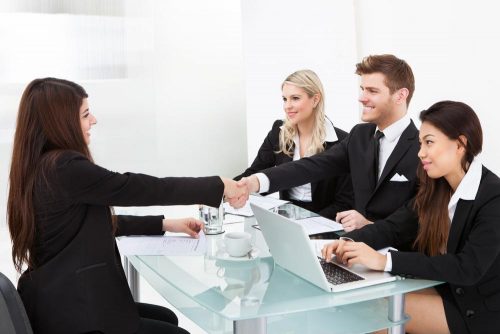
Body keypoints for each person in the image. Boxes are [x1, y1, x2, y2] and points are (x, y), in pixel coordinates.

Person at [7, 78, 245, 334]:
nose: (94, 120)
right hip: (74, 311)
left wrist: (165, 224)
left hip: (55, 300)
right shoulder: (65, 167)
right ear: (61, 122)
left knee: (166, 317)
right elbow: (137, 188)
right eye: (86, 114)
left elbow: (85, 225)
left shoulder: (40, 166)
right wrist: (218, 185)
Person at [322, 101, 500, 334]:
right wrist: (348, 241)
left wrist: (383, 261)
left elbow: (467, 267)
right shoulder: (437, 187)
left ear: (460, 144)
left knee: (374, 314)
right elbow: (393, 227)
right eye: (420, 144)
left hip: (478, 311)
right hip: (444, 289)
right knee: (360, 299)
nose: (420, 153)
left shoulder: (493, 196)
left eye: (429, 142)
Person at [237, 54, 419, 234]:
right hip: (353, 245)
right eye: (362, 89)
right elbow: (311, 166)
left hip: (393, 255)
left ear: (400, 96)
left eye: (372, 91)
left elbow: (419, 216)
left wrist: (371, 226)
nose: (361, 98)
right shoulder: (360, 135)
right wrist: (255, 181)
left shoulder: (422, 147)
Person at [234, 69, 353, 218]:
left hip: (326, 223)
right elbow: (254, 173)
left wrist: (309, 224)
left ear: (315, 99)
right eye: (285, 99)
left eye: (295, 98)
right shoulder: (278, 132)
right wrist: (221, 192)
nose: (287, 106)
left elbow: (345, 202)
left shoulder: (342, 142)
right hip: (287, 218)